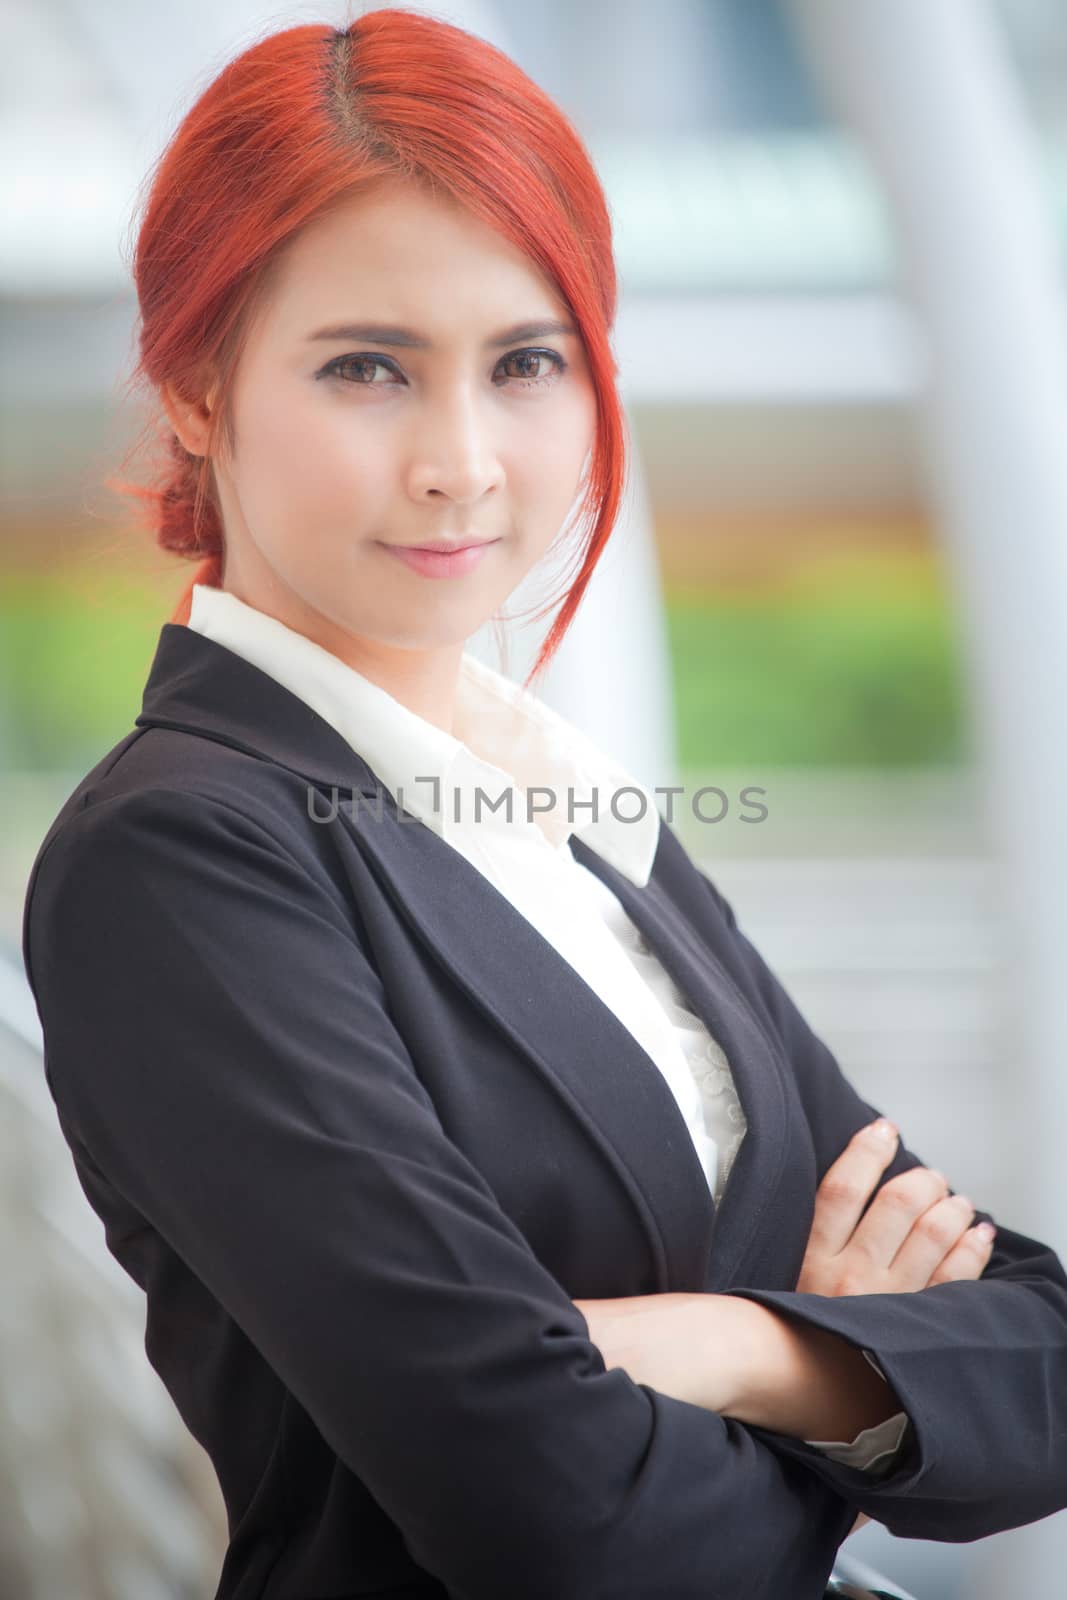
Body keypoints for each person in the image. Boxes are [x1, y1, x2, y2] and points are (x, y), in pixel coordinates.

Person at [20, 12, 1067, 1599]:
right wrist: (851, 1388)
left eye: (525, 363)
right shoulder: (178, 857)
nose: (461, 462)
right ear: (192, 385)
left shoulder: (572, 814)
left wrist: (726, 1348)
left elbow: (1044, 1355)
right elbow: (553, 1523)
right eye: (368, 367)